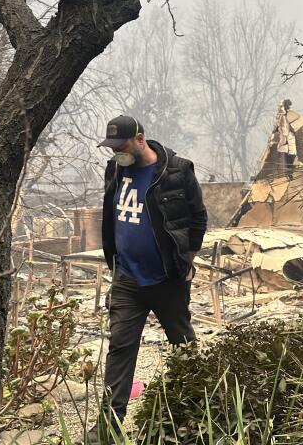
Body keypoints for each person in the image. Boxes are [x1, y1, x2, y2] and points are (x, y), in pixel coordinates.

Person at [88, 115, 207, 442]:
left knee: (182, 345)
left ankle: (194, 415)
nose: (116, 153)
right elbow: (112, 217)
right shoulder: (115, 170)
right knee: (120, 350)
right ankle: (107, 430)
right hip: (127, 279)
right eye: (112, 147)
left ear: (140, 138)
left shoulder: (176, 171)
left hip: (167, 280)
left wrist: (186, 261)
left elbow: (198, 219)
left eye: (121, 146)